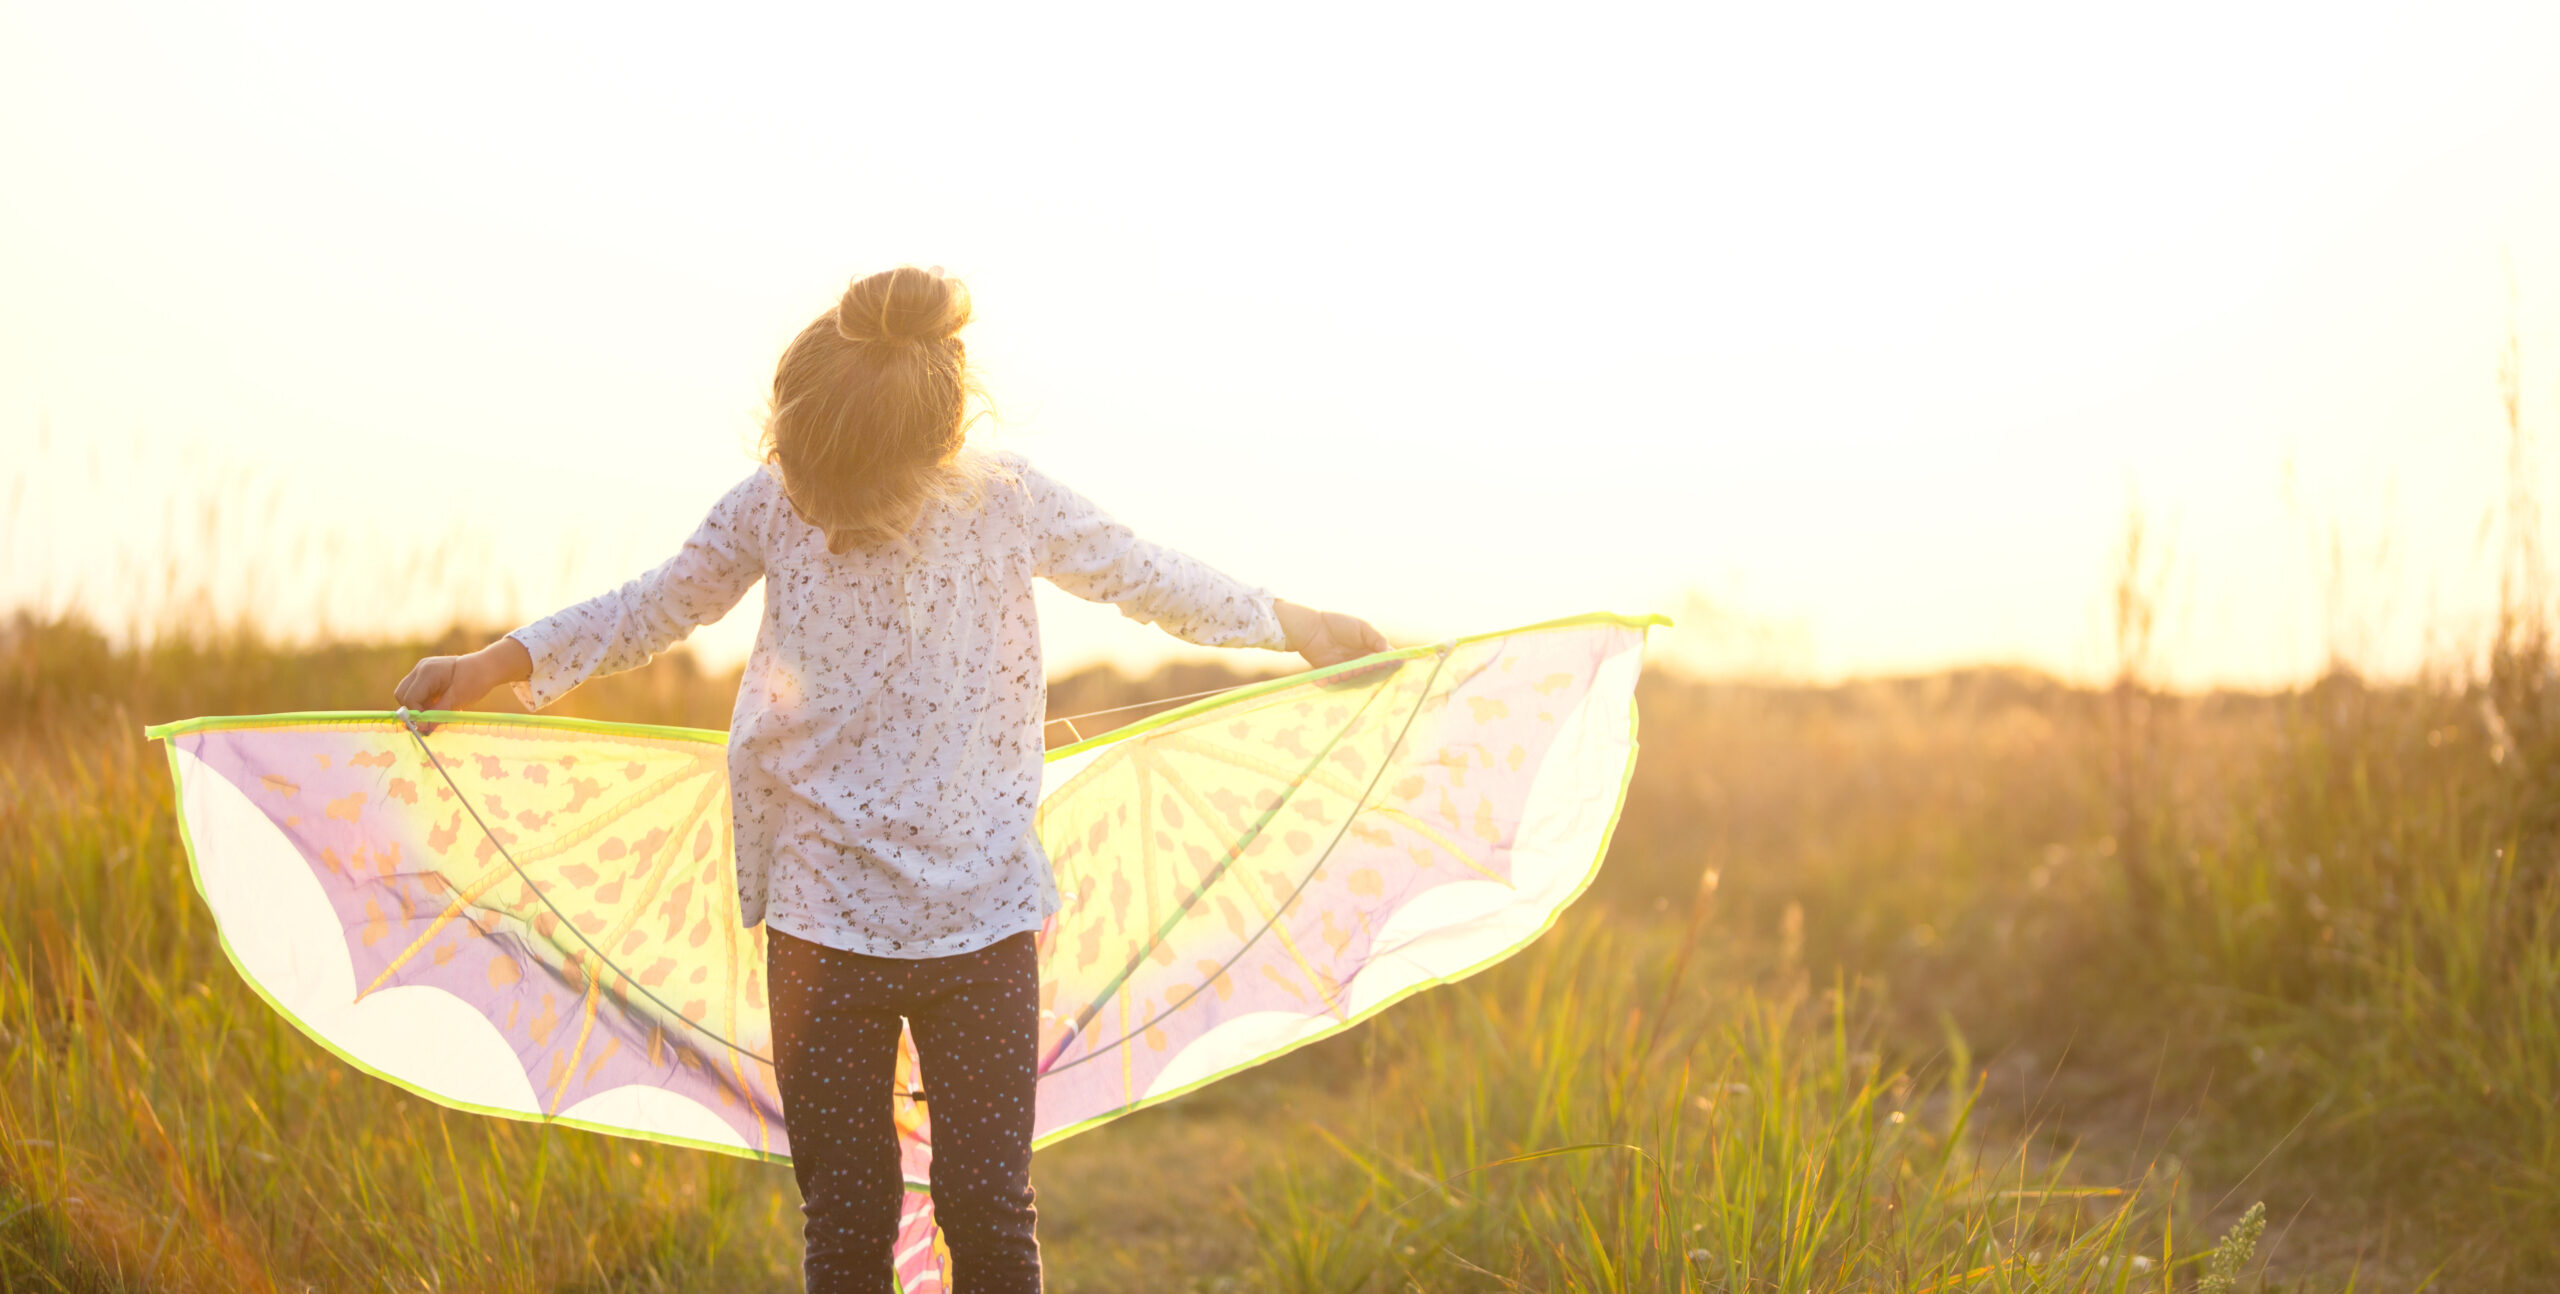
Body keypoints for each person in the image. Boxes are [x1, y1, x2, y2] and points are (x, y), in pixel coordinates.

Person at [388, 265, 1387, 1294]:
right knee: (848, 1217)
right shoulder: (772, 506)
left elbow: (1146, 576)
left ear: (929, 453)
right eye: (802, 481)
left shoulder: (1006, 503)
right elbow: (653, 606)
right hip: (823, 927)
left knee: (987, 1209)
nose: (818, 514)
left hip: (982, 923)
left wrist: (1293, 625)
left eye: (842, 495)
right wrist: (493, 664)